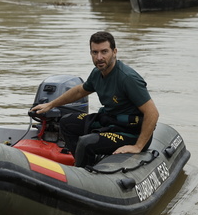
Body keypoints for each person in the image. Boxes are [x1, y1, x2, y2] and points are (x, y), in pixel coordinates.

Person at [31, 31, 159, 168]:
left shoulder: (127, 78)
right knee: (67, 122)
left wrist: (138, 146)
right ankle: (85, 165)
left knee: (87, 142)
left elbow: (152, 113)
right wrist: (51, 104)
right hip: (109, 121)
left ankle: (84, 173)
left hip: (131, 132)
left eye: (104, 52)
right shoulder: (97, 73)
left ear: (114, 52)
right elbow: (80, 91)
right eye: (95, 52)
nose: (99, 57)